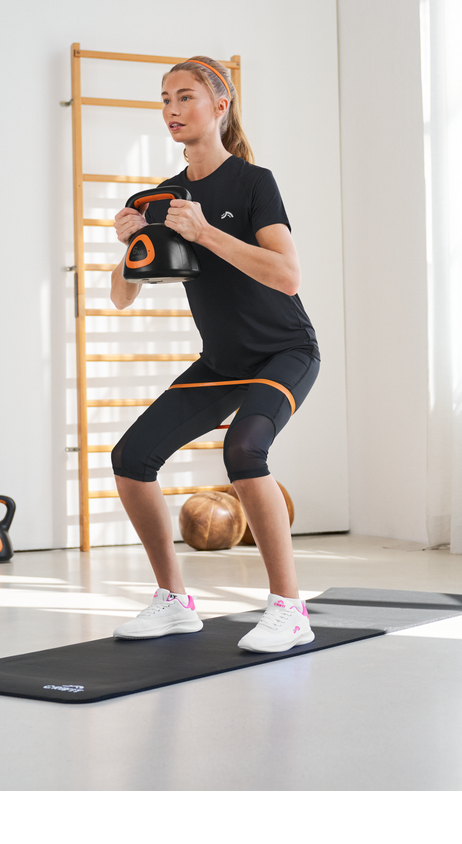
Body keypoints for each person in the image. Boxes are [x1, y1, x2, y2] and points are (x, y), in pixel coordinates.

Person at [108, 56, 321, 653]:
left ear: (220, 106)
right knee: (131, 458)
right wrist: (128, 245)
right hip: (222, 362)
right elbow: (121, 297)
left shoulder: (254, 183)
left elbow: (287, 276)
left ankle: (290, 610)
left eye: (186, 97)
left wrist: (203, 232)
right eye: (165, 99)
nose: (172, 110)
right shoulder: (160, 199)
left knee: (244, 449)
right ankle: (174, 603)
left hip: (284, 351)